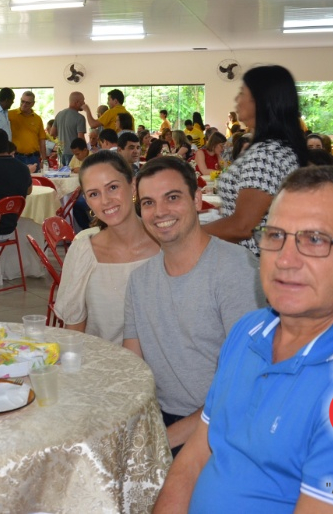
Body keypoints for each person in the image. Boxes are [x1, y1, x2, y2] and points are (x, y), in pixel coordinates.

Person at [154, 167, 333, 514]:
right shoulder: (250, 331)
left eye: (315, 240)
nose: (285, 259)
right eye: (275, 235)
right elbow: (196, 456)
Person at [125, 157, 263, 454]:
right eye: (148, 203)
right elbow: (133, 366)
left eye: (172, 198)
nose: (160, 212)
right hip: (160, 416)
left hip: (225, 423)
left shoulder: (238, 270)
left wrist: (161, 441)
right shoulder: (139, 280)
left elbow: (247, 383)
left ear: (197, 199)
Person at [53, 152, 160, 344]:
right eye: (94, 194)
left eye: (112, 187)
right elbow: (75, 329)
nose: (105, 200)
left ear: (133, 186)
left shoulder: (166, 245)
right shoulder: (84, 252)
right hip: (105, 368)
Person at [202, 65, 307, 255]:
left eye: (242, 93)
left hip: (253, 262)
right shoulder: (274, 147)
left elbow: (242, 226)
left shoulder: (266, 154)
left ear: (260, 101)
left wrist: (188, 236)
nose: (237, 99)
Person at [8, 90, 49, 168]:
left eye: (27, 103)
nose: (24, 104)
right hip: (15, 157)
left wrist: (44, 160)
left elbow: (42, 141)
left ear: (33, 104)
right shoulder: (10, 115)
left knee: (34, 180)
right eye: (22, 101)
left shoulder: (37, 119)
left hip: (33, 158)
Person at [51, 91, 88, 167]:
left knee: (63, 176)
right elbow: (80, 138)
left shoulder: (59, 114)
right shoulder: (80, 118)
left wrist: (62, 135)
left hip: (61, 153)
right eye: (83, 101)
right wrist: (86, 152)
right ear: (77, 102)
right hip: (74, 154)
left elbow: (52, 133)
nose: (84, 103)